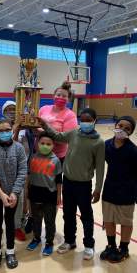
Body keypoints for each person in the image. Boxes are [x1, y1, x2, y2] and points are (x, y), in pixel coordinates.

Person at [38, 108, 105, 260]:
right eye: (83, 119)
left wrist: (98, 188)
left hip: (84, 184)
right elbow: (57, 136)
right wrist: (45, 125)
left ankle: (89, 245)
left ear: (95, 121)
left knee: (86, 216)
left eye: (88, 120)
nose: (85, 122)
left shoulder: (99, 142)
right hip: (68, 182)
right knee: (68, 214)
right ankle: (69, 241)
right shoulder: (74, 133)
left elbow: (100, 167)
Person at [100, 116, 137, 263]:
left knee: (125, 221)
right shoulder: (106, 145)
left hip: (127, 192)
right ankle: (111, 246)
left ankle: (124, 248)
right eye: (120, 125)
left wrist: (131, 182)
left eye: (127, 128)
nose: (122, 129)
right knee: (109, 220)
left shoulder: (135, 152)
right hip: (109, 189)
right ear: (115, 125)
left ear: (131, 132)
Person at [0, 118, 27, 269]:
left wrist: (14, 193)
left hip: (13, 195)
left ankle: (10, 251)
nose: (4, 133)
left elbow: (22, 171)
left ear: (12, 130)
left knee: (10, 222)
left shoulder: (19, 148)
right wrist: (1, 194)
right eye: (1, 130)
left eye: (7, 130)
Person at [26, 132, 62, 256]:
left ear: (53, 145)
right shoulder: (33, 158)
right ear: (38, 144)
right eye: (42, 143)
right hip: (35, 193)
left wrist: (59, 195)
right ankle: (36, 239)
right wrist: (27, 191)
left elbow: (58, 180)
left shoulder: (56, 160)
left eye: (48, 144)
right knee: (36, 219)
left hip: (50, 195)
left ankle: (49, 243)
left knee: (49, 221)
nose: (45, 146)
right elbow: (29, 177)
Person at [3, 100, 28, 241]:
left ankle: (17, 225)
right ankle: (7, 225)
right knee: (5, 198)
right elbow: (8, 144)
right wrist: (16, 128)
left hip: (23, 167)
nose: (11, 112)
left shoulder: (26, 127)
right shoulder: (2, 128)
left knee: (21, 197)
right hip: (6, 168)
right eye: (9, 110)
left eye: (14, 109)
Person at [39, 81, 78, 163]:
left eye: (64, 96)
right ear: (53, 96)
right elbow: (35, 126)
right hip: (39, 153)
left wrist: (43, 131)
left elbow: (65, 139)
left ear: (69, 99)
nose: (61, 97)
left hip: (57, 157)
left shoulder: (70, 115)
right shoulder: (43, 109)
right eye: (58, 95)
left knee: (56, 176)